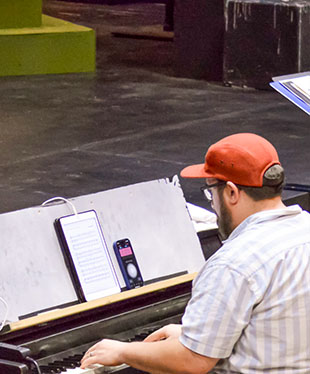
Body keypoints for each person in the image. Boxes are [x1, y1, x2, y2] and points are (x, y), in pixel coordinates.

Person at [80, 133, 310, 373]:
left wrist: (122, 351)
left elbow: (191, 361)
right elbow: (276, 324)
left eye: (211, 192)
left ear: (232, 192)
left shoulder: (234, 263)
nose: (212, 204)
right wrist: (192, 335)